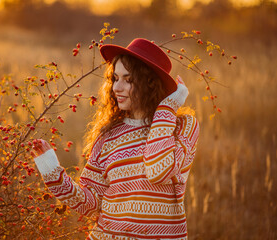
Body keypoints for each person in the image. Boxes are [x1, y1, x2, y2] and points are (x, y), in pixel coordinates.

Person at [31, 38, 200, 240]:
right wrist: (52, 171)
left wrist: (167, 107)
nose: (116, 88)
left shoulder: (183, 126)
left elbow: (159, 171)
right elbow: (91, 205)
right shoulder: (108, 135)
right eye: (115, 78)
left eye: (128, 80)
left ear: (150, 83)